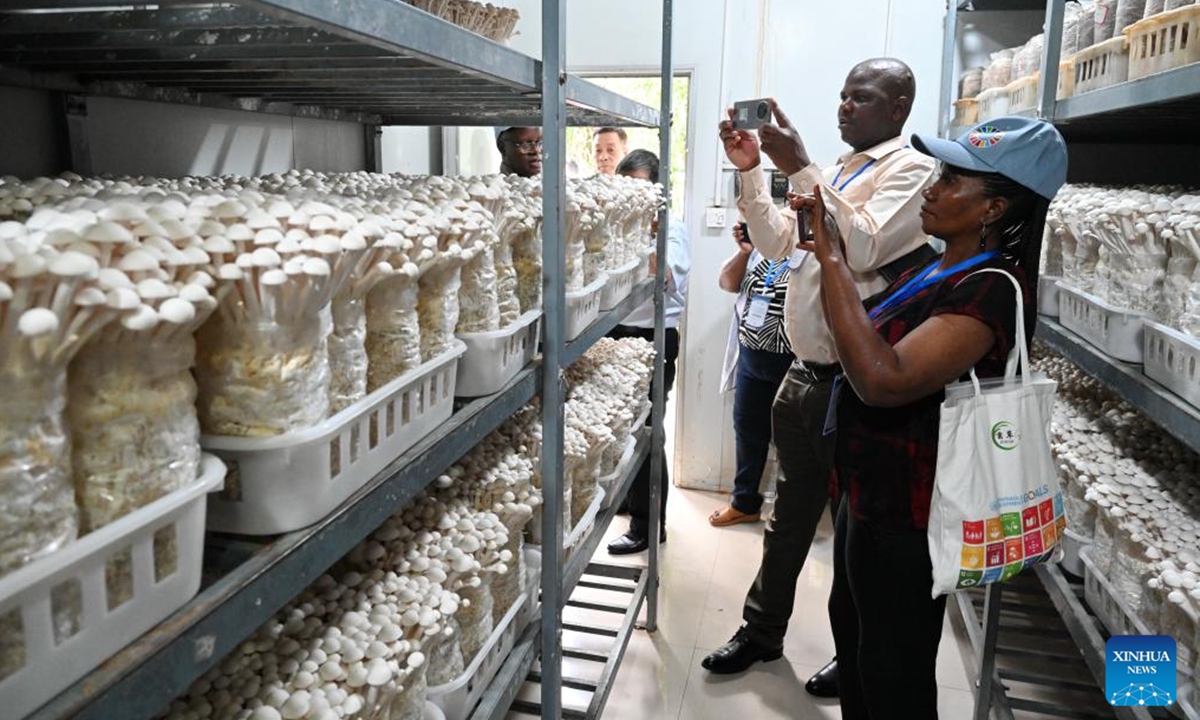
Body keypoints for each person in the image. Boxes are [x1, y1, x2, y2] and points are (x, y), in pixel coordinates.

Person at [796, 115, 1066, 719]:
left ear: (994, 207)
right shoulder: (939, 265)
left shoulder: (991, 287)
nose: (932, 188)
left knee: (895, 668)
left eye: (951, 180)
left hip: (911, 513)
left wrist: (834, 260)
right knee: (859, 641)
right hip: (869, 493)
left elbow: (883, 378)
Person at [703, 58, 937, 699]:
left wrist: (799, 165)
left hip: (855, 387)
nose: (844, 107)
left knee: (855, 531)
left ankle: (852, 654)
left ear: (898, 107)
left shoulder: (911, 171)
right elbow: (779, 245)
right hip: (802, 375)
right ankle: (761, 630)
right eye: (841, 96)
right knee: (787, 517)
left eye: (860, 98)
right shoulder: (835, 171)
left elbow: (860, 246)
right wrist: (753, 171)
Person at [606, 149, 691, 555]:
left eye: (639, 191)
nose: (631, 201)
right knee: (621, 425)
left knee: (647, 430)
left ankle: (647, 525)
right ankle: (628, 501)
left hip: (652, 339)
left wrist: (651, 229)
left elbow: (667, 276)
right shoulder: (620, 228)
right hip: (618, 333)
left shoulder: (671, 230)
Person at [712, 218, 793, 527]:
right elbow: (728, 284)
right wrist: (745, 250)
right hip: (751, 357)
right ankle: (745, 502)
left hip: (792, 361)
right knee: (748, 431)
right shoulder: (759, 251)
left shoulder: (808, 253)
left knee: (791, 441)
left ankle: (791, 514)